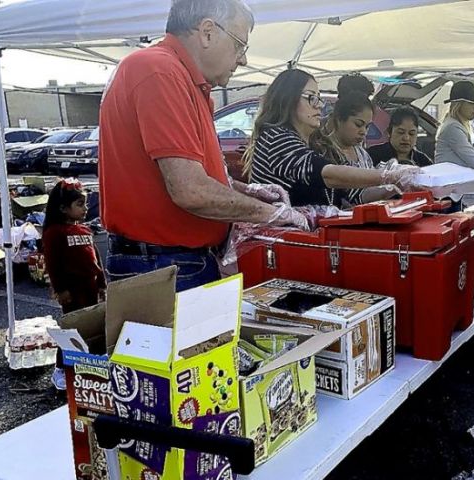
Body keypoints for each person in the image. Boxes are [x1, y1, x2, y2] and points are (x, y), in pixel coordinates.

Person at [99, 0, 307, 292]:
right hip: (164, 263)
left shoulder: (182, 78)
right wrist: (271, 213)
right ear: (207, 32)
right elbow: (190, 190)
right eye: (240, 46)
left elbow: (193, 175)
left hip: (172, 260)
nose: (243, 60)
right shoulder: (160, 70)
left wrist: (242, 190)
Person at [246, 68, 419, 208]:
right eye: (311, 98)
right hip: (283, 244)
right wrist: (389, 176)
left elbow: (353, 195)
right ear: (288, 99)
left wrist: (391, 188)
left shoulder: (315, 143)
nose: (319, 106)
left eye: (319, 99)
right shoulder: (275, 138)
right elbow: (326, 175)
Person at [42, 178, 106, 391]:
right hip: (73, 291)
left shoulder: (84, 230)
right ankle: (61, 368)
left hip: (91, 288)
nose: (85, 209)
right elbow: (53, 264)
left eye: (85, 204)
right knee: (73, 329)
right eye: (80, 204)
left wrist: (102, 283)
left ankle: (88, 365)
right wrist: (60, 289)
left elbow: (95, 258)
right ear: (63, 208)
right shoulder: (55, 233)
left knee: (93, 327)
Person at [328, 91, 401, 204]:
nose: (364, 132)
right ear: (339, 120)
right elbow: (350, 196)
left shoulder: (362, 154)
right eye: (358, 124)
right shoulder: (326, 152)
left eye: (367, 126)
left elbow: (374, 183)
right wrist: (388, 188)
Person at [368, 107, 433, 168]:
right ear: (389, 132)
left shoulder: (423, 161)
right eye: (401, 132)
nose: (406, 138)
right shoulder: (372, 155)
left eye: (411, 133)